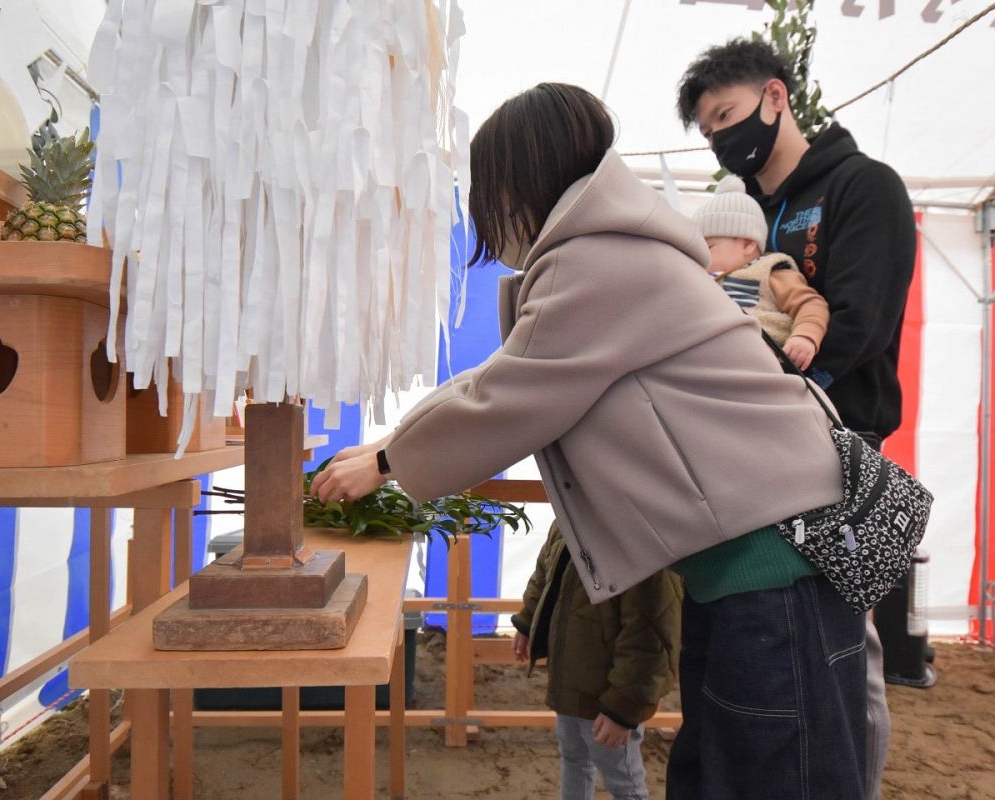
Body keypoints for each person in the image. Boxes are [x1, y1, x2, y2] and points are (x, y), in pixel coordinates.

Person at [312, 81, 867, 798]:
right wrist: (390, 442)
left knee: (773, 773)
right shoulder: (610, 250)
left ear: (522, 179)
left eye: (494, 194)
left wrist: (387, 462)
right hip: (757, 569)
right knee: (731, 768)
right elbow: (507, 371)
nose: (494, 217)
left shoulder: (599, 258)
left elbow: (512, 394)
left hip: (778, 569)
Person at [677, 37, 919, 800]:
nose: (721, 136)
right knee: (784, 660)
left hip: (836, 449)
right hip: (751, 461)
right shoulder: (745, 213)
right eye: (708, 128)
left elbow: (862, 323)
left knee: (847, 653)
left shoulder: (861, 188)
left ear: (776, 97)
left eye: (728, 115)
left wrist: (775, 373)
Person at [511, 522, 682, 800]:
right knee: (574, 757)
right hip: (570, 677)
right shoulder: (569, 517)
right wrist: (528, 621)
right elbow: (546, 572)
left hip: (610, 692)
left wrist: (624, 706)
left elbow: (652, 634)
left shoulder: (642, 538)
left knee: (623, 780)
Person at [693, 174, 829, 370]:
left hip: (760, 361)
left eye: (708, 247)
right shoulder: (699, 280)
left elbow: (810, 304)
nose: (700, 257)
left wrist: (805, 336)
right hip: (710, 363)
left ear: (748, 245)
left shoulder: (769, 272)